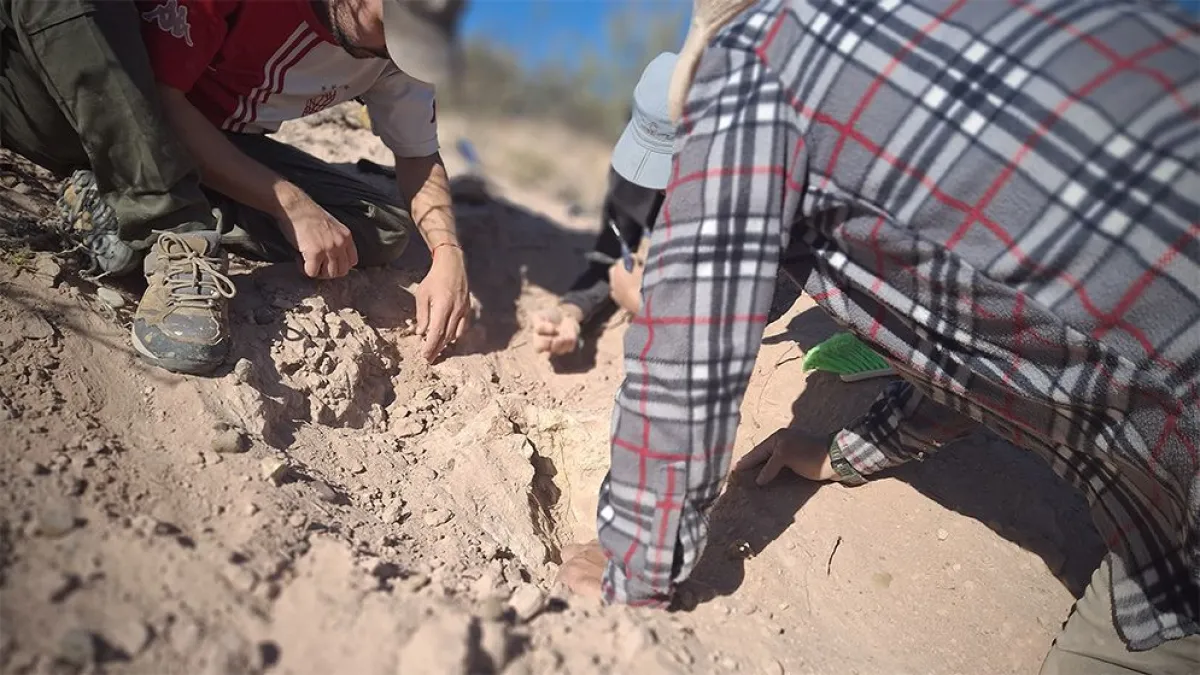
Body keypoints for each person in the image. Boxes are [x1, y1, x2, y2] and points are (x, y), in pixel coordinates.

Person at [557, 0, 1200, 672]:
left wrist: (629, 564)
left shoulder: (750, 71)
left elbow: (689, 355)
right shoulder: (932, 41)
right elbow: (988, 319)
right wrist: (848, 453)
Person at [0, 0, 469, 375]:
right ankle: (174, 229)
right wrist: (287, 201)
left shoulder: (402, 51)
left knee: (378, 228)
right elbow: (161, 100)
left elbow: (418, 155)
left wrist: (448, 253)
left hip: (194, 135)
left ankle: (116, 194)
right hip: (61, 95)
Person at [532, 53, 676, 357]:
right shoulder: (631, 180)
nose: (658, 185)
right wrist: (571, 311)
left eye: (673, 163)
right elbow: (611, 260)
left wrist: (643, 305)